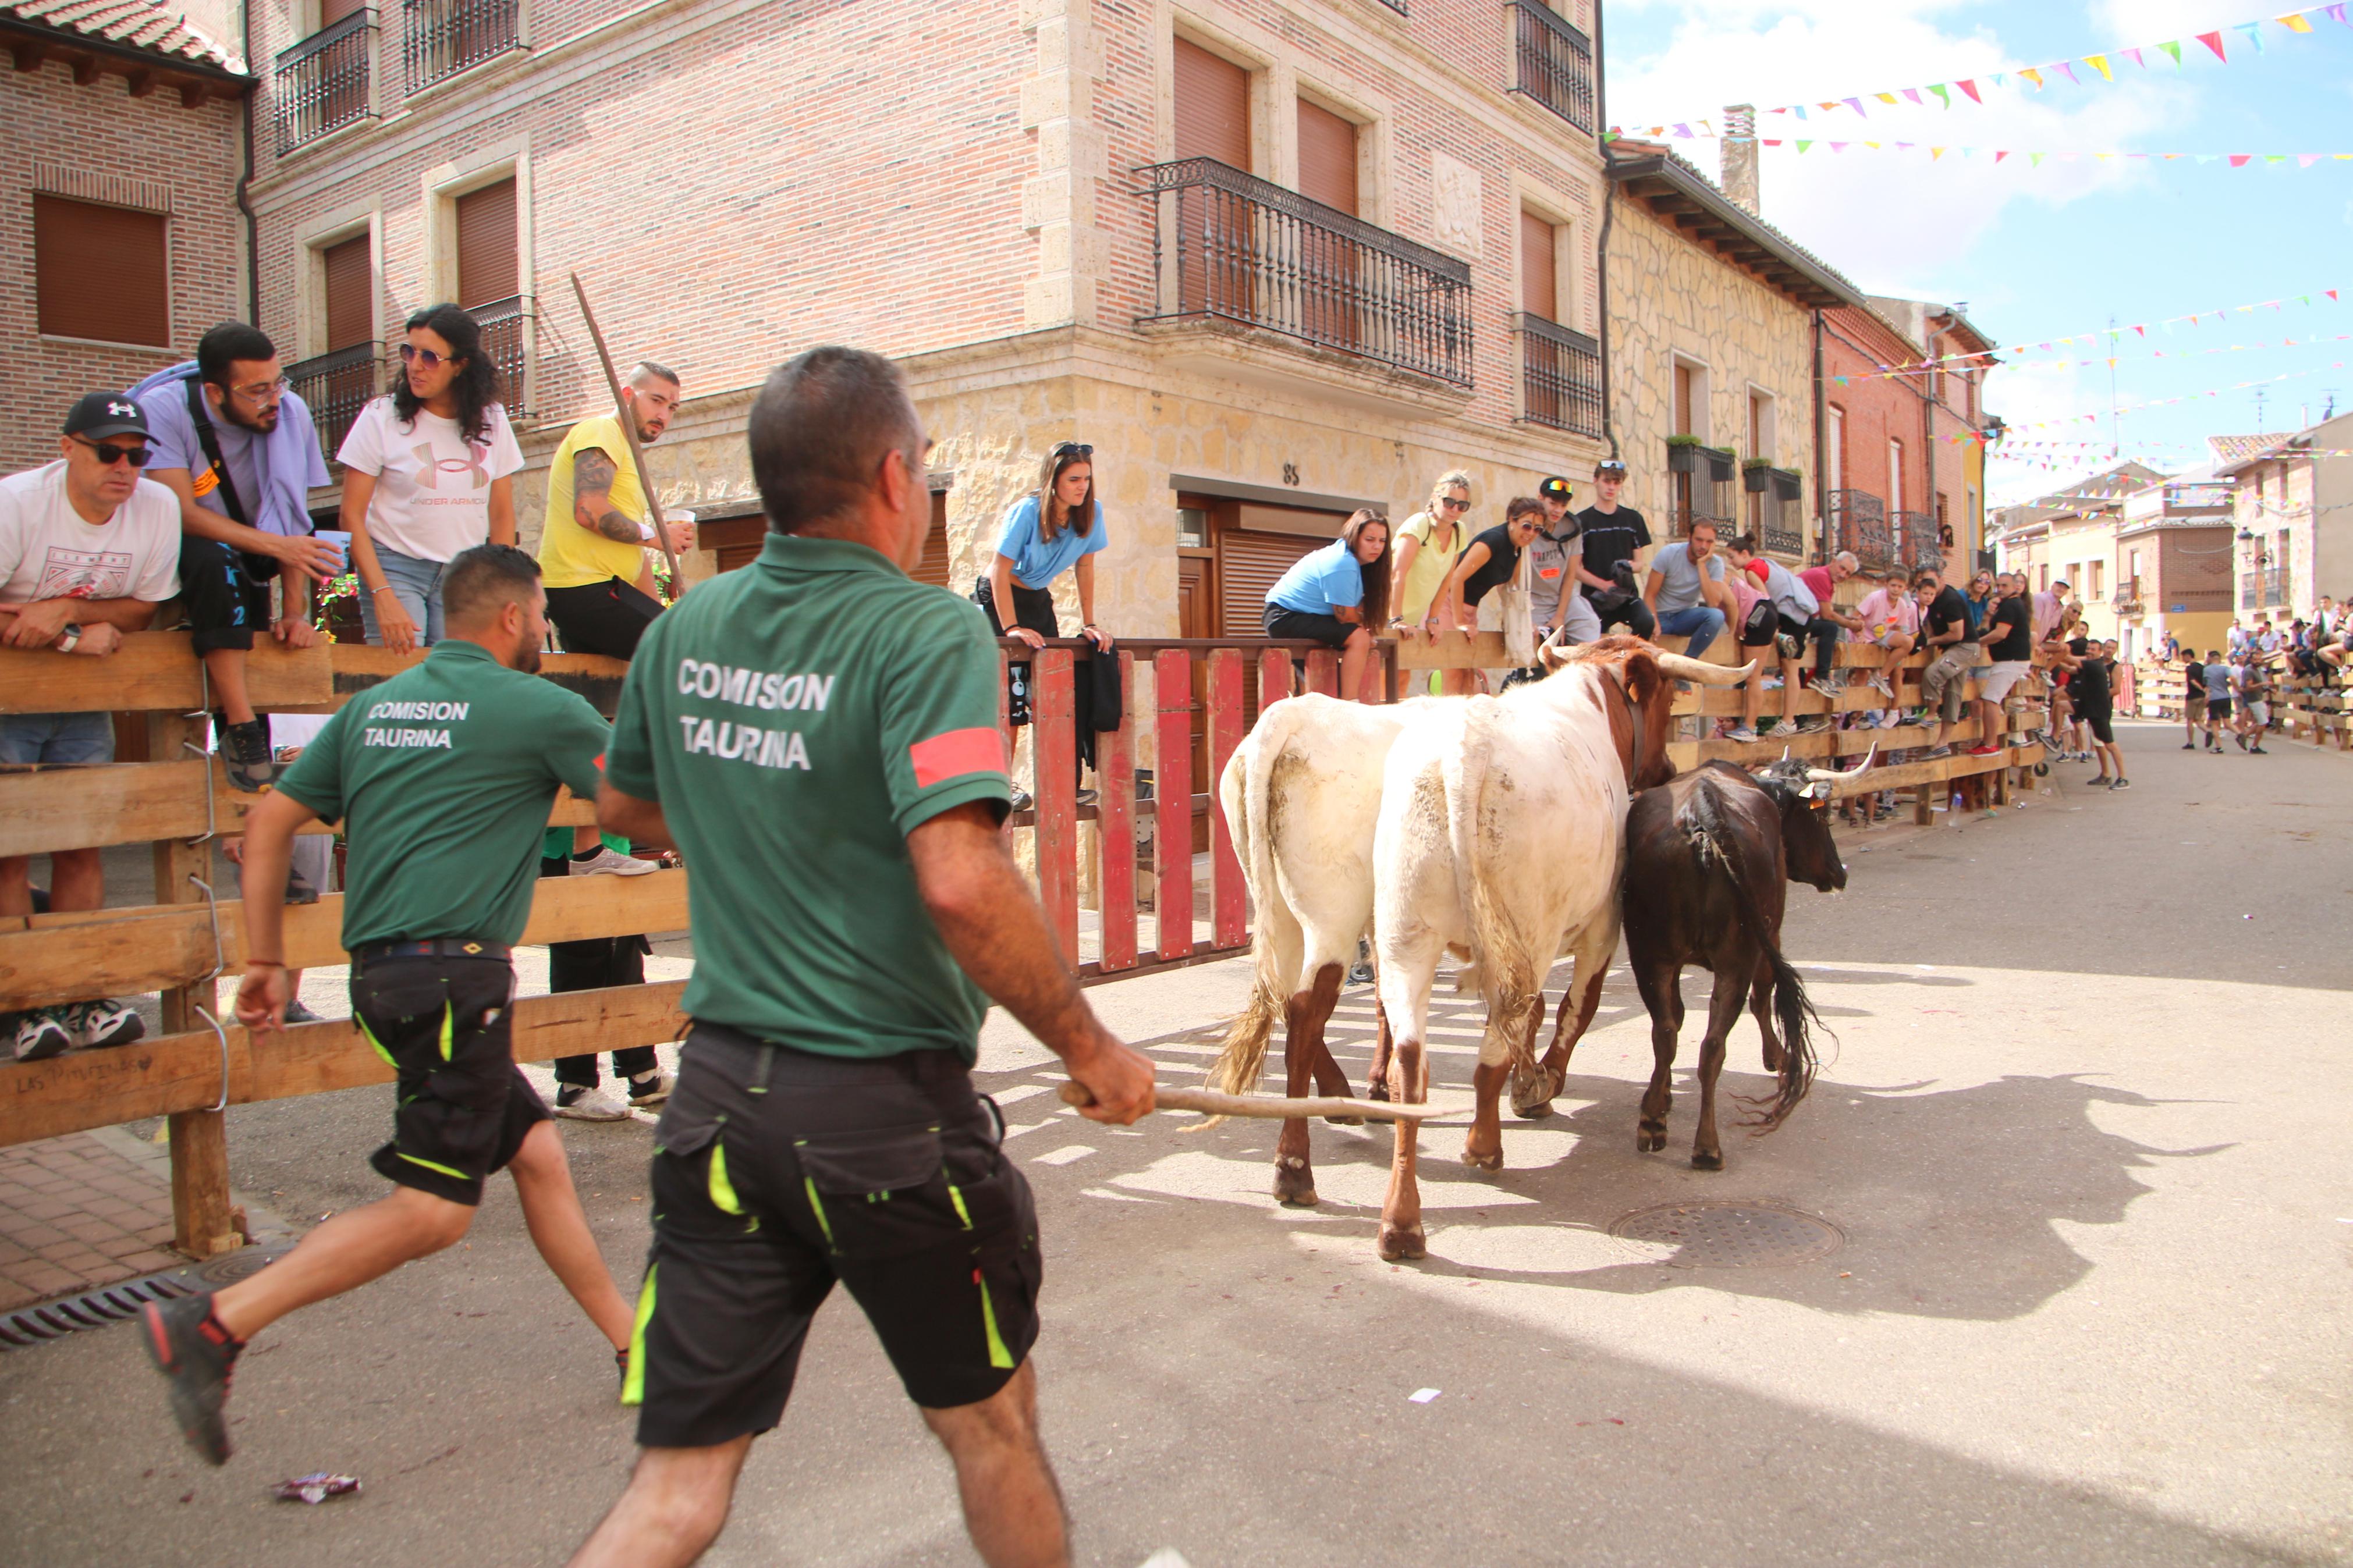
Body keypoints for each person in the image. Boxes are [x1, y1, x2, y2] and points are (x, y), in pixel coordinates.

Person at [572, 346, 1156, 1568]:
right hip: (883, 1120)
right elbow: (957, 876)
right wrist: (1089, 1044)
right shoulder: (925, 630)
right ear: (895, 476)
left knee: (677, 1490)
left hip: (721, 1104)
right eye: (926, 467)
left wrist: (757, 797)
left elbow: (623, 809)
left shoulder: (689, 627)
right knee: (992, 1426)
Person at [142, 545, 637, 1467]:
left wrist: (263, 958)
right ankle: (212, 1322)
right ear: (511, 618)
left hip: (386, 981)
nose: (545, 630)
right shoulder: (538, 704)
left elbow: (268, 822)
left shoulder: (374, 707)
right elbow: (636, 806)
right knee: (432, 1213)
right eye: (540, 616)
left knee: (534, 1149)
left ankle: (632, 1343)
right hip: (457, 984)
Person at [0, 394, 183, 1062]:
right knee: (10, 845)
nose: (126, 468)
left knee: (83, 842)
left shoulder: (156, 508)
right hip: (6, 694)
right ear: (68, 447)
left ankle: (82, 990)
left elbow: (145, 605)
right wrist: (75, 637)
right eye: (109, 451)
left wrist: (65, 611)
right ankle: (25, 999)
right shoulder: (16, 504)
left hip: (83, 697)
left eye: (137, 455)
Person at [537, 360, 697, 1118]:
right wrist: (658, 536)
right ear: (629, 396)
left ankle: (632, 1070)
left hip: (604, 598)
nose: (663, 413)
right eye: (656, 399)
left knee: (619, 927)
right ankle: (674, 783)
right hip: (578, 591)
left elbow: (632, 569)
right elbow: (589, 515)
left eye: (672, 405)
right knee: (680, 648)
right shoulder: (598, 437)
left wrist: (660, 586)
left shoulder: (627, 457)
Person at [132, 322, 340, 792]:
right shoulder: (163, 411)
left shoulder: (290, 412)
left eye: (278, 382)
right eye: (257, 390)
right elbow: (180, 512)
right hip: (181, 546)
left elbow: (292, 515)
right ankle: (241, 725)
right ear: (215, 391)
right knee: (214, 561)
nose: (274, 398)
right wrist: (278, 545)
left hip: (256, 550)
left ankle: (252, 749)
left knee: (249, 611)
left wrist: (294, 612)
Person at [337, 304, 525, 653]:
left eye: (430, 357)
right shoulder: (381, 417)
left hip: (466, 575)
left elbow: (501, 515)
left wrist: (499, 588)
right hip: (395, 567)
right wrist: (383, 595)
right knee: (404, 689)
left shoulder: (493, 420)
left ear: (461, 365)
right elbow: (351, 515)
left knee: (454, 688)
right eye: (409, 352)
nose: (415, 365)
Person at [977, 442, 1116, 806]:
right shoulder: (1026, 511)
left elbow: (1084, 566)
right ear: (1053, 481)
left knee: (1054, 689)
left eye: (1086, 478)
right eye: (1073, 479)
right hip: (1001, 597)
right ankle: (999, 784)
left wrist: (1090, 623)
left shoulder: (1092, 513)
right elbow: (999, 572)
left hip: (1037, 598)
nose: (1082, 486)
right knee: (1011, 696)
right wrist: (1010, 629)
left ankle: (1063, 787)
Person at [1263, 508, 1391, 701]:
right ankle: (1350, 707)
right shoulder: (1342, 562)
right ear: (1354, 537)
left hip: (1303, 616)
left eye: (1382, 541)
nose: (1377, 547)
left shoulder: (1356, 563)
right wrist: (1363, 629)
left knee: (1328, 688)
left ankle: (1338, 709)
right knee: (1360, 640)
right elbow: (1345, 616)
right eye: (1370, 539)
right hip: (1285, 616)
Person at [1724, 535, 1843, 730]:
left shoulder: (1752, 572)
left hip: (1791, 618)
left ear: (1744, 554)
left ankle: (1789, 721)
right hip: (1801, 616)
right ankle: (1791, 720)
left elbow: (1763, 603)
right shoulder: (1766, 563)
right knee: (1792, 671)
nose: (1730, 562)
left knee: (1790, 671)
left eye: (1731, 557)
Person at [1392, 468, 1476, 695]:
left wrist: (1433, 618)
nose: (1455, 510)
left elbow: (1447, 578)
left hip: (1411, 616)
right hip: (1386, 613)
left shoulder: (1459, 532)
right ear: (1435, 498)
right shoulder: (1419, 524)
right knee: (1384, 679)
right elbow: (1397, 573)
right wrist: (1395, 619)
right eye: (1449, 502)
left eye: (1462, 506)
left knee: (1401, 679)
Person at [1574, 457, 1656, 639]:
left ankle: (1629, 662)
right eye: (1607, 481)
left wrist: (1627, 566)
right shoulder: (1582, 522)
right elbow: (1576, 569)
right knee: (1591, 641)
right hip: (1593, 598)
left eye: (1616, 482)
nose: (1611, 487)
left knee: (1645, 622)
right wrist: (1603, 586)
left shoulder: (1633, 519)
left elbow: (1640, 564)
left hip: (1626, 595)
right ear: (1596, 481)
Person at [1639, 516, 1730, 661]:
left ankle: (1688, 662)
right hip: (1661, 616)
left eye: (1709, 542)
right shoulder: (1669, 553)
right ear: (1689, 537)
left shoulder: (1715, 564)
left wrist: (1701, 565)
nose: (1703, 546)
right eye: (1699, 540)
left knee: (1716, 616)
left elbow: (1713, 603)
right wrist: (1654, 621)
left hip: (1685, 617)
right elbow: (1649, 595)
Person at [1525, 476, 1602, 645]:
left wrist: (1560, 616)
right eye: (1553, 503)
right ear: (1541, 499)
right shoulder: (1527, 528)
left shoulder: (1572, 529)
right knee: (1535, 640)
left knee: (1590, 625)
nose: (1558, 510)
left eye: (1563, 506)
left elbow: (1570, 574)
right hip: (1534, 600)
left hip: (1563, 597)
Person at [1915, 566, 1981, 757]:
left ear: (1941, 580)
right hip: (1955, 649)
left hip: (1965, 647)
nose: (1928, 587)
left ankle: (1930, 715)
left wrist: (1929, 641)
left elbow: (1957, 633)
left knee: (1933, 673)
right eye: (1924, 583)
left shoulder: (1950, 601)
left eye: (1932, 582)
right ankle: (1942, 744)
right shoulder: (1931, 599)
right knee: (1953, 693)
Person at [1970, 572, 2033, 758]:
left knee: (1990, 700)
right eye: (1998, 585)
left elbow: (2000, 634)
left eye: (2005, 585)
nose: (2000, 589)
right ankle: (1989, 742)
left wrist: (1977, 642)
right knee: (1992, 699)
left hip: (2010, 661)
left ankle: (1990, 743)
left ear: (2015, 587)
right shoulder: (2011, 605)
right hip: (2009, 660)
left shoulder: (2010, 606)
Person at [1854, 572, 1921, 727]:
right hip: (1866, 637)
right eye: (1893, 585)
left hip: (1884, 639)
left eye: (1900, 586)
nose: (1896, 589)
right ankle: (1859, 715)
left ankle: (1891, 705)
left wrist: (1896, 647)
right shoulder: (1875, 598)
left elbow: (1898, 627)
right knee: (1861, 674)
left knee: (1899, 665)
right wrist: (1860, 637)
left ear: (1905, 588)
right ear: (1886, 585)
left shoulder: (1902, 605)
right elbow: (1856, 616)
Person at [2063, 630, 2125, 787]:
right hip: (2090, 704)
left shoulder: (2115, 668)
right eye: (2108, 647)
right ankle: (2105, 773)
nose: (2110, 650)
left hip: (2102, 706)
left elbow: (2116, 689)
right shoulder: (2094, 663)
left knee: (2106, 742)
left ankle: (2121, 777)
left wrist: (2099, 694)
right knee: (2097, 741)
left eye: (2112, 648)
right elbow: (2072, 668)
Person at [2237, 656, 2273, 753]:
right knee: (2262, 723)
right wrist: (2262, 684)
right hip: (2254, 700)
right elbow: (2249, 687)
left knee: (2262, 722)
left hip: (2259, 698)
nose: (2257, 661)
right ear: (2251, 660)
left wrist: (2268, 689)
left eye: (2259, 659)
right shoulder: (2249, 671)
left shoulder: (2258, 670)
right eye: (2255, 659)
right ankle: (2252, 744)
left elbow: (2261, 684)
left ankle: (2246, 738)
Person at [2202, 650, 2234, 751]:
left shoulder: (2207, 670)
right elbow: (2232, 679)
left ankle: (2219, 747)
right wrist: (2234, 686)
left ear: (2210, 658)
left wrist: (2206, 697)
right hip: (2226, 696)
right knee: (2227, 722)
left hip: (2214, 698)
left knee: (2215, 723)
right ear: (2219, 659)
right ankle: (2240, 733)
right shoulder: (2225, 669)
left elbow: (2207, 685)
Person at [2181, 649, 2207, 749]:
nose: (2183, 659)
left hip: (2193, 696)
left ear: (2188, 656)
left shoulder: (2190, 669)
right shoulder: (2202, 668)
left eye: (2183, 657)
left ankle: (2191, 742)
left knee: (2190, 720)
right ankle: (2210, 732)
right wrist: (2205, 691)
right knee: (2198, 720)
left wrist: (2200, 688)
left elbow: (2192, 681)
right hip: (2202, 697)